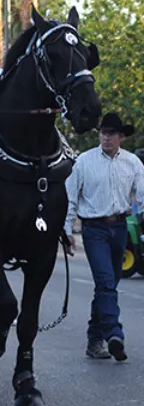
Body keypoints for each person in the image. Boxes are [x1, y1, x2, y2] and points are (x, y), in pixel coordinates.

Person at [64, 112, 144, 362]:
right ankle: (113, 334)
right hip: (94, 229)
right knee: (106, 281)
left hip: (120, 227)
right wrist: (66, 231)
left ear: (121, 137)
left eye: (111, 133)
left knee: (108, 285)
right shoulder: (84, 162)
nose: (106, 137)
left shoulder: (133, 163)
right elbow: (70, 198)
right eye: (103, 133)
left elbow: (142, 197)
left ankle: (93, 340)